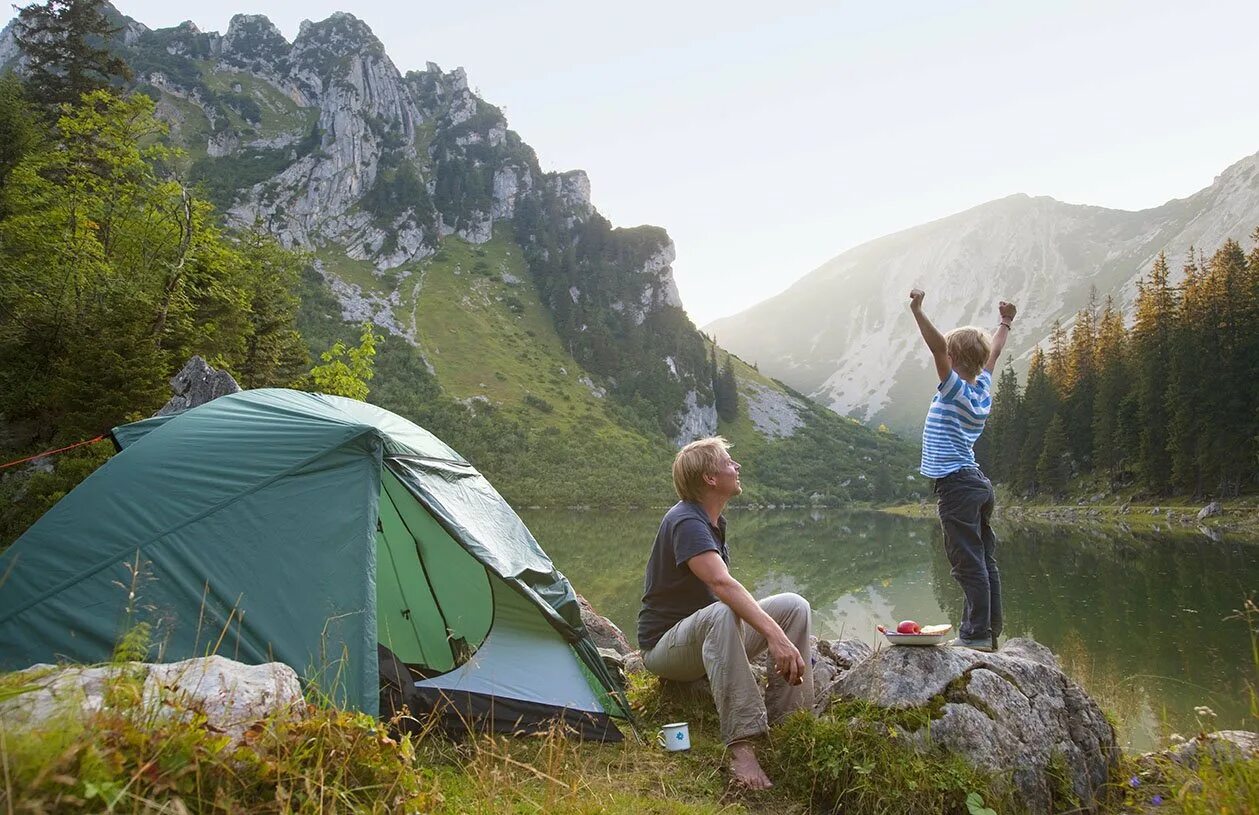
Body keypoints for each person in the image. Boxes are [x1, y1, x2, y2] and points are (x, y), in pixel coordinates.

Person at [637, 437, 813, 790]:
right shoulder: (685, 520)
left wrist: (776, 630)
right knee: (721, 611)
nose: (737, 467)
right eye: (730, 463)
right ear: (710, 479)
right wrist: (774, 638)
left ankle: (789, 722)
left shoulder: (712, 522)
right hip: (666, 650)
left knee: (794, 606)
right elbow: (721, 585)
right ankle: (741, 745)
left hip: (705, 640)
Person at [909, 288, 1016, 652]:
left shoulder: (953, 389)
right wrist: (1004, 322)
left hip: (956, 486)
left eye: (947, 356)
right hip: (976, 484)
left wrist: (917, 311)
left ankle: (975, 635)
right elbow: (995, 351)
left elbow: (937, 348)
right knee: (984, 559)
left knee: (967, 562)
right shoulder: (981, 388)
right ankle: (989, 631)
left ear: (953, 359)